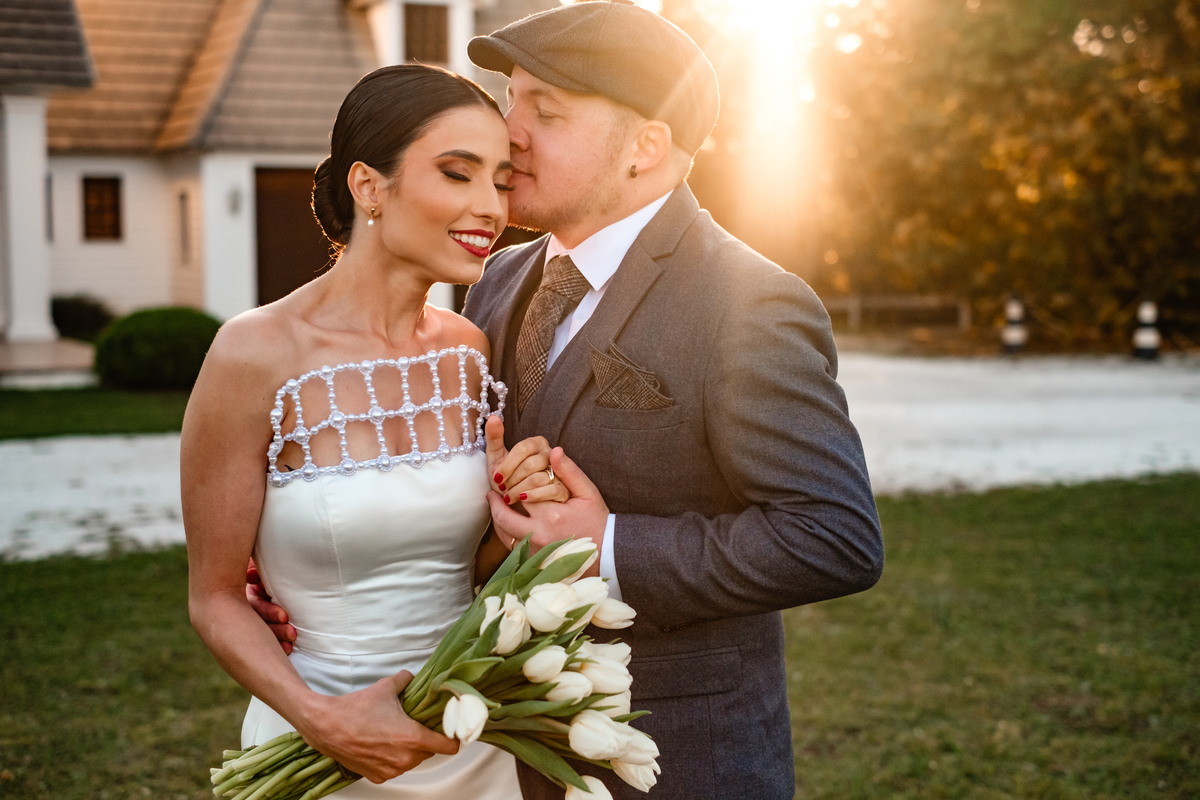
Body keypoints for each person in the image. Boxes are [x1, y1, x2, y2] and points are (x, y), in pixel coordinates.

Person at [462, 2, 885, 798]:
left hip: (681, 757)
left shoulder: (749, 301)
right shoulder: (493, 281)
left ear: (646, 147)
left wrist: (608, 548)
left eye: (544, 111)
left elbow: (835, 535)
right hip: (497, 754)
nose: (507, 130)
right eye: (510, 98)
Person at [183, 64, 563, 799]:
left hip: (472, 738)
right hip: (321, 743)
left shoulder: (466, 351)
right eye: (458, 173)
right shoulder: (253, 353)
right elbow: (216, 596)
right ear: (368, 187)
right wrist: (323, 720)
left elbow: (462, 561)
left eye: (501, 180)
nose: (490, 206)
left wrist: (515, 520)